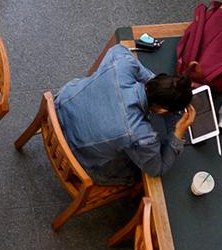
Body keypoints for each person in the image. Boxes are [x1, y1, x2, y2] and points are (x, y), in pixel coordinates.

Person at [52, 45, 196, 187]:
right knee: (135, 172)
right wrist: (178, 133)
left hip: (59, 107)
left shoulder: (123, 64)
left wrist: (157, 85)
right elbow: (157, 169)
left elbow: (119, 49)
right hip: (76, 155)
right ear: (163, 111)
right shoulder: (142, 135)